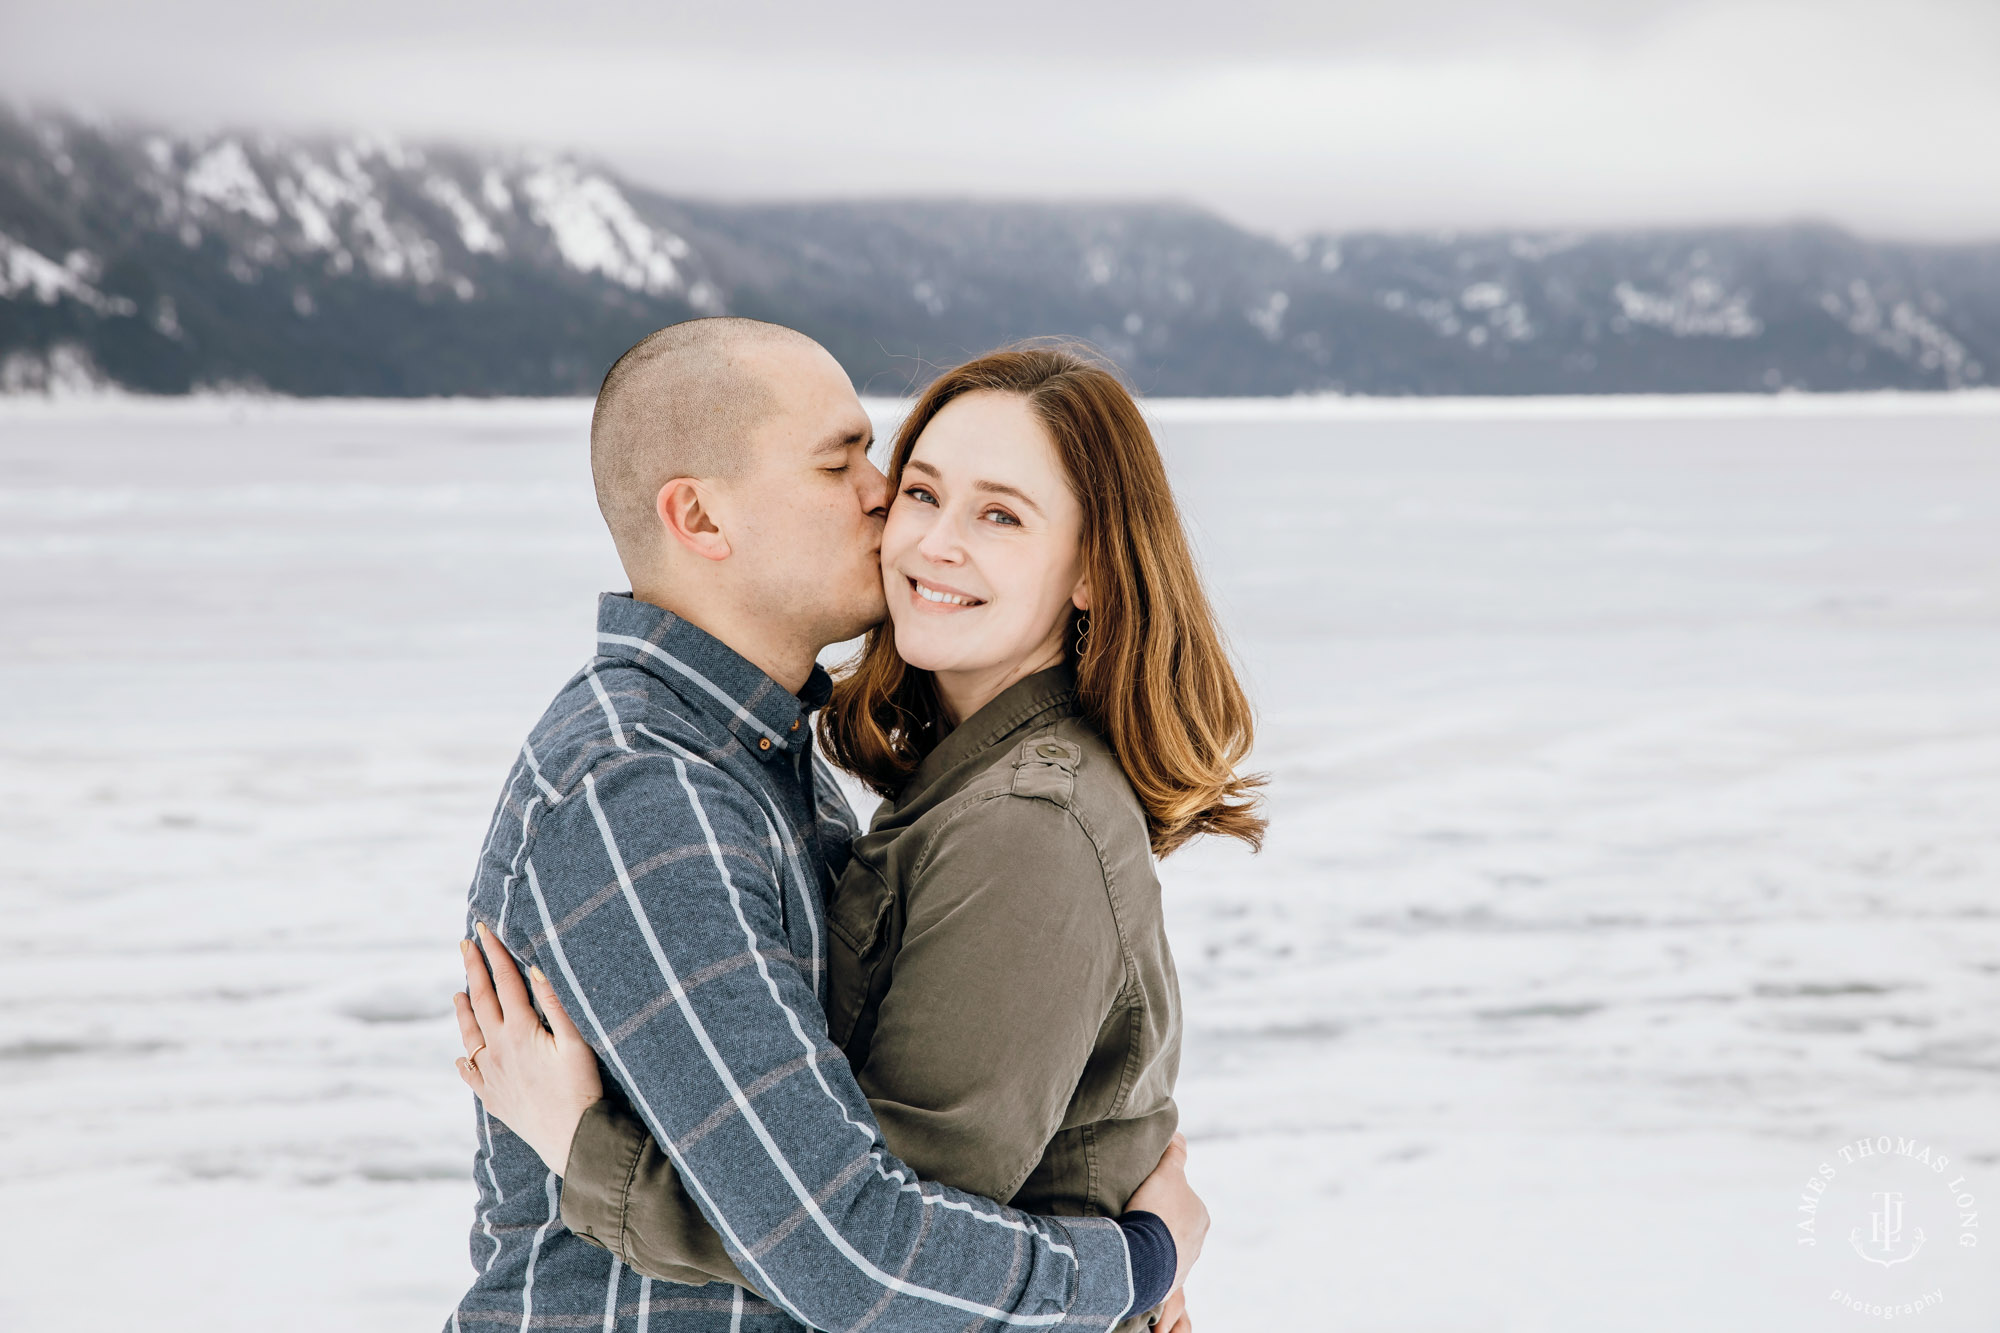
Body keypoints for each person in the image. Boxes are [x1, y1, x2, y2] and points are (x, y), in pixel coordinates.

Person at [452, 336, 1265, 1333]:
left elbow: (862, 1256)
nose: (888, 506)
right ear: (699, 515)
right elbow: (855, 1255)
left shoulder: (996, 811)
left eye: (998, 513)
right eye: (853, 467)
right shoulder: (646, 788)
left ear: (1089, 568)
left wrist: (584, 1147)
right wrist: (1129, 1267)